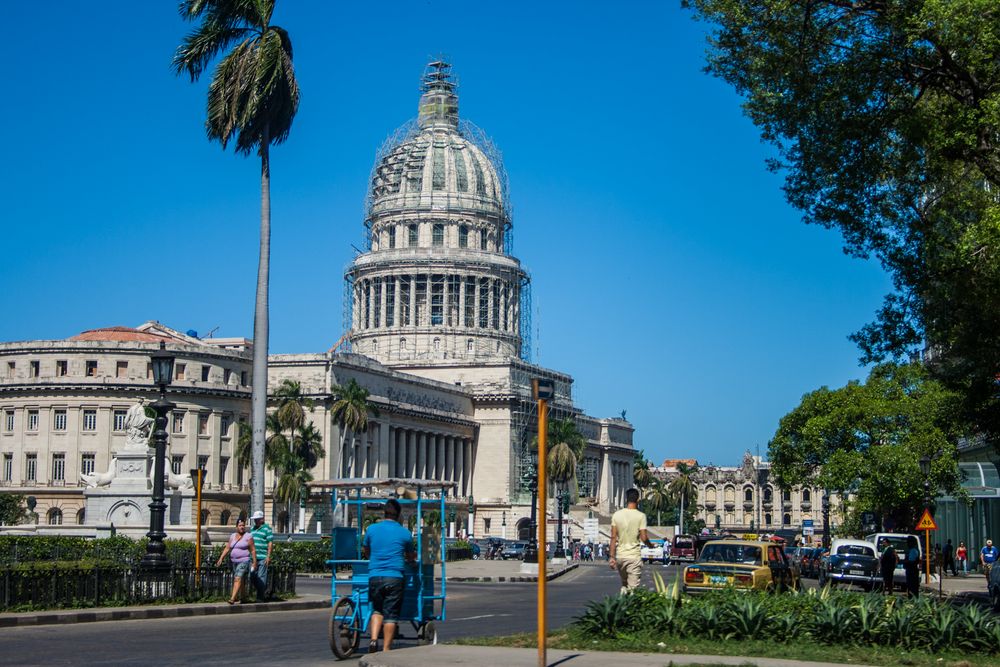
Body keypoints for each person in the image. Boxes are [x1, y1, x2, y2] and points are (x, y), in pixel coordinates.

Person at [362, 498, 416, 653]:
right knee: (391, 615)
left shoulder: (372, 529)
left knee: (377, 610)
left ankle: (373, 640)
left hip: (374, 576)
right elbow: (410, 556)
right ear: (399, 516)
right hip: (394, 577)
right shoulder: (405, 533)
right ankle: (386, 649)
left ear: (383, 513)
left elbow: (366, 551)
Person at [608, 488, 654, 593]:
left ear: (626, 499)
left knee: (624, 584)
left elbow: (613, 537)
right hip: (633, 557)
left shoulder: (617, 515)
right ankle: (626, 607)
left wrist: (611, 557)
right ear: (638, 500)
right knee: (633, 589)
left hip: (620, 557)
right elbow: (644, 537)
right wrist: (650, 545)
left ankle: (621, 604)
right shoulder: (641, 516)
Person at [216, 517, 256, 604]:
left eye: (243, 525)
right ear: (236, 527)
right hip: (234, 561)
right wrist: (221, 558)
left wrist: (254, 562)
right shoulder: (233, 536)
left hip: (244, 561)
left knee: (237, 578)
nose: (242, 527)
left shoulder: (248, 536)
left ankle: (232, 598)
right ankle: (243, 597)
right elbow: (227, 548)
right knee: (240, 579)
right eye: (240, 525)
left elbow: (253, 550)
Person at [250, 510, 273, 602]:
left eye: (257, 519)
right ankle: (263, 589)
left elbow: (270, 543)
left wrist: (268, 556)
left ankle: (260, 597)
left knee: (261, 577)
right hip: (253, 558)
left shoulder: (267, 529)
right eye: (255, 519)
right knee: (252, 576)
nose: (255, 521)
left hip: (263, 557)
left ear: (262, 519)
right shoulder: (252, 529)